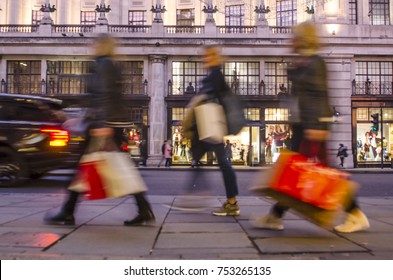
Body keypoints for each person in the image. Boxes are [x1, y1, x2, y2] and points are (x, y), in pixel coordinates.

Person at [253, 21, 369, 233]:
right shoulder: (304, 63)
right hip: (302, 125)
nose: (290, 41)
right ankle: (275, 215)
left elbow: (317, 96)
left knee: (316, 173)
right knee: (295, 172)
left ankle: (354, 213)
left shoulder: (315, 63)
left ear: (302, 39)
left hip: (311, 126)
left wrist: (316, 125)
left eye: (294, 37)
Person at [44, 34, 155, 227]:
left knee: (85, 169)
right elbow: (99, 98)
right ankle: (144, 209)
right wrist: (81, 119)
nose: (91, 46)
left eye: (95, 43)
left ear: (102, 46)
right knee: (112, 168)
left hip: (103, 125)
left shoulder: (103, 65)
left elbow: (103, 96)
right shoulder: (106, 64)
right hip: (104, 123)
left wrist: (101, 125)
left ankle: (68, 211)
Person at [182, 46, 240, 216]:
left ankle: (229, 202)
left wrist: (195, 101)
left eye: (208, 57)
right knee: (204, 158)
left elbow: (210, 95)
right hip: (209, 125)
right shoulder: (213, 74)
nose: (204, 60)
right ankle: (195, 196)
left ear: (214, 58)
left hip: (211, 125)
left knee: (223, 163)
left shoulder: (215, 74)